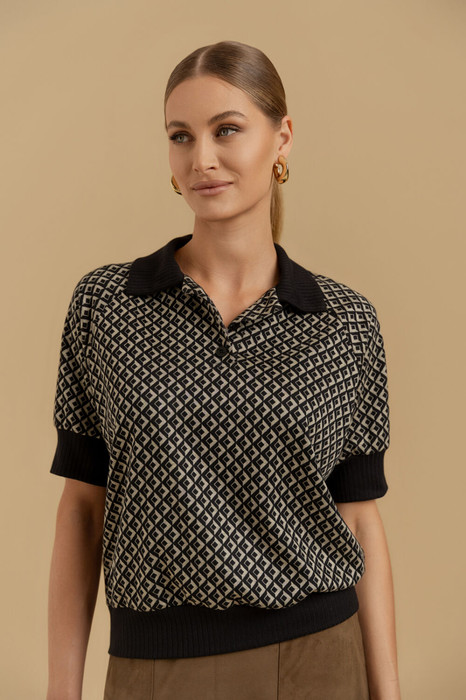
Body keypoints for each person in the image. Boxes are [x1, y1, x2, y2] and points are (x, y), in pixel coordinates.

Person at [47, 40, 401, 700]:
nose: (201, 159)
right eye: (180, 136)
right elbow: (82, 511)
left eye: (227, 129)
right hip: (154, 667)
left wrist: (389, 693)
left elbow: (357, 518)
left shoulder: (346, 321)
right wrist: (60, 691)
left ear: (282, 138)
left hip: (318, 662)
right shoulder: (105, 305)